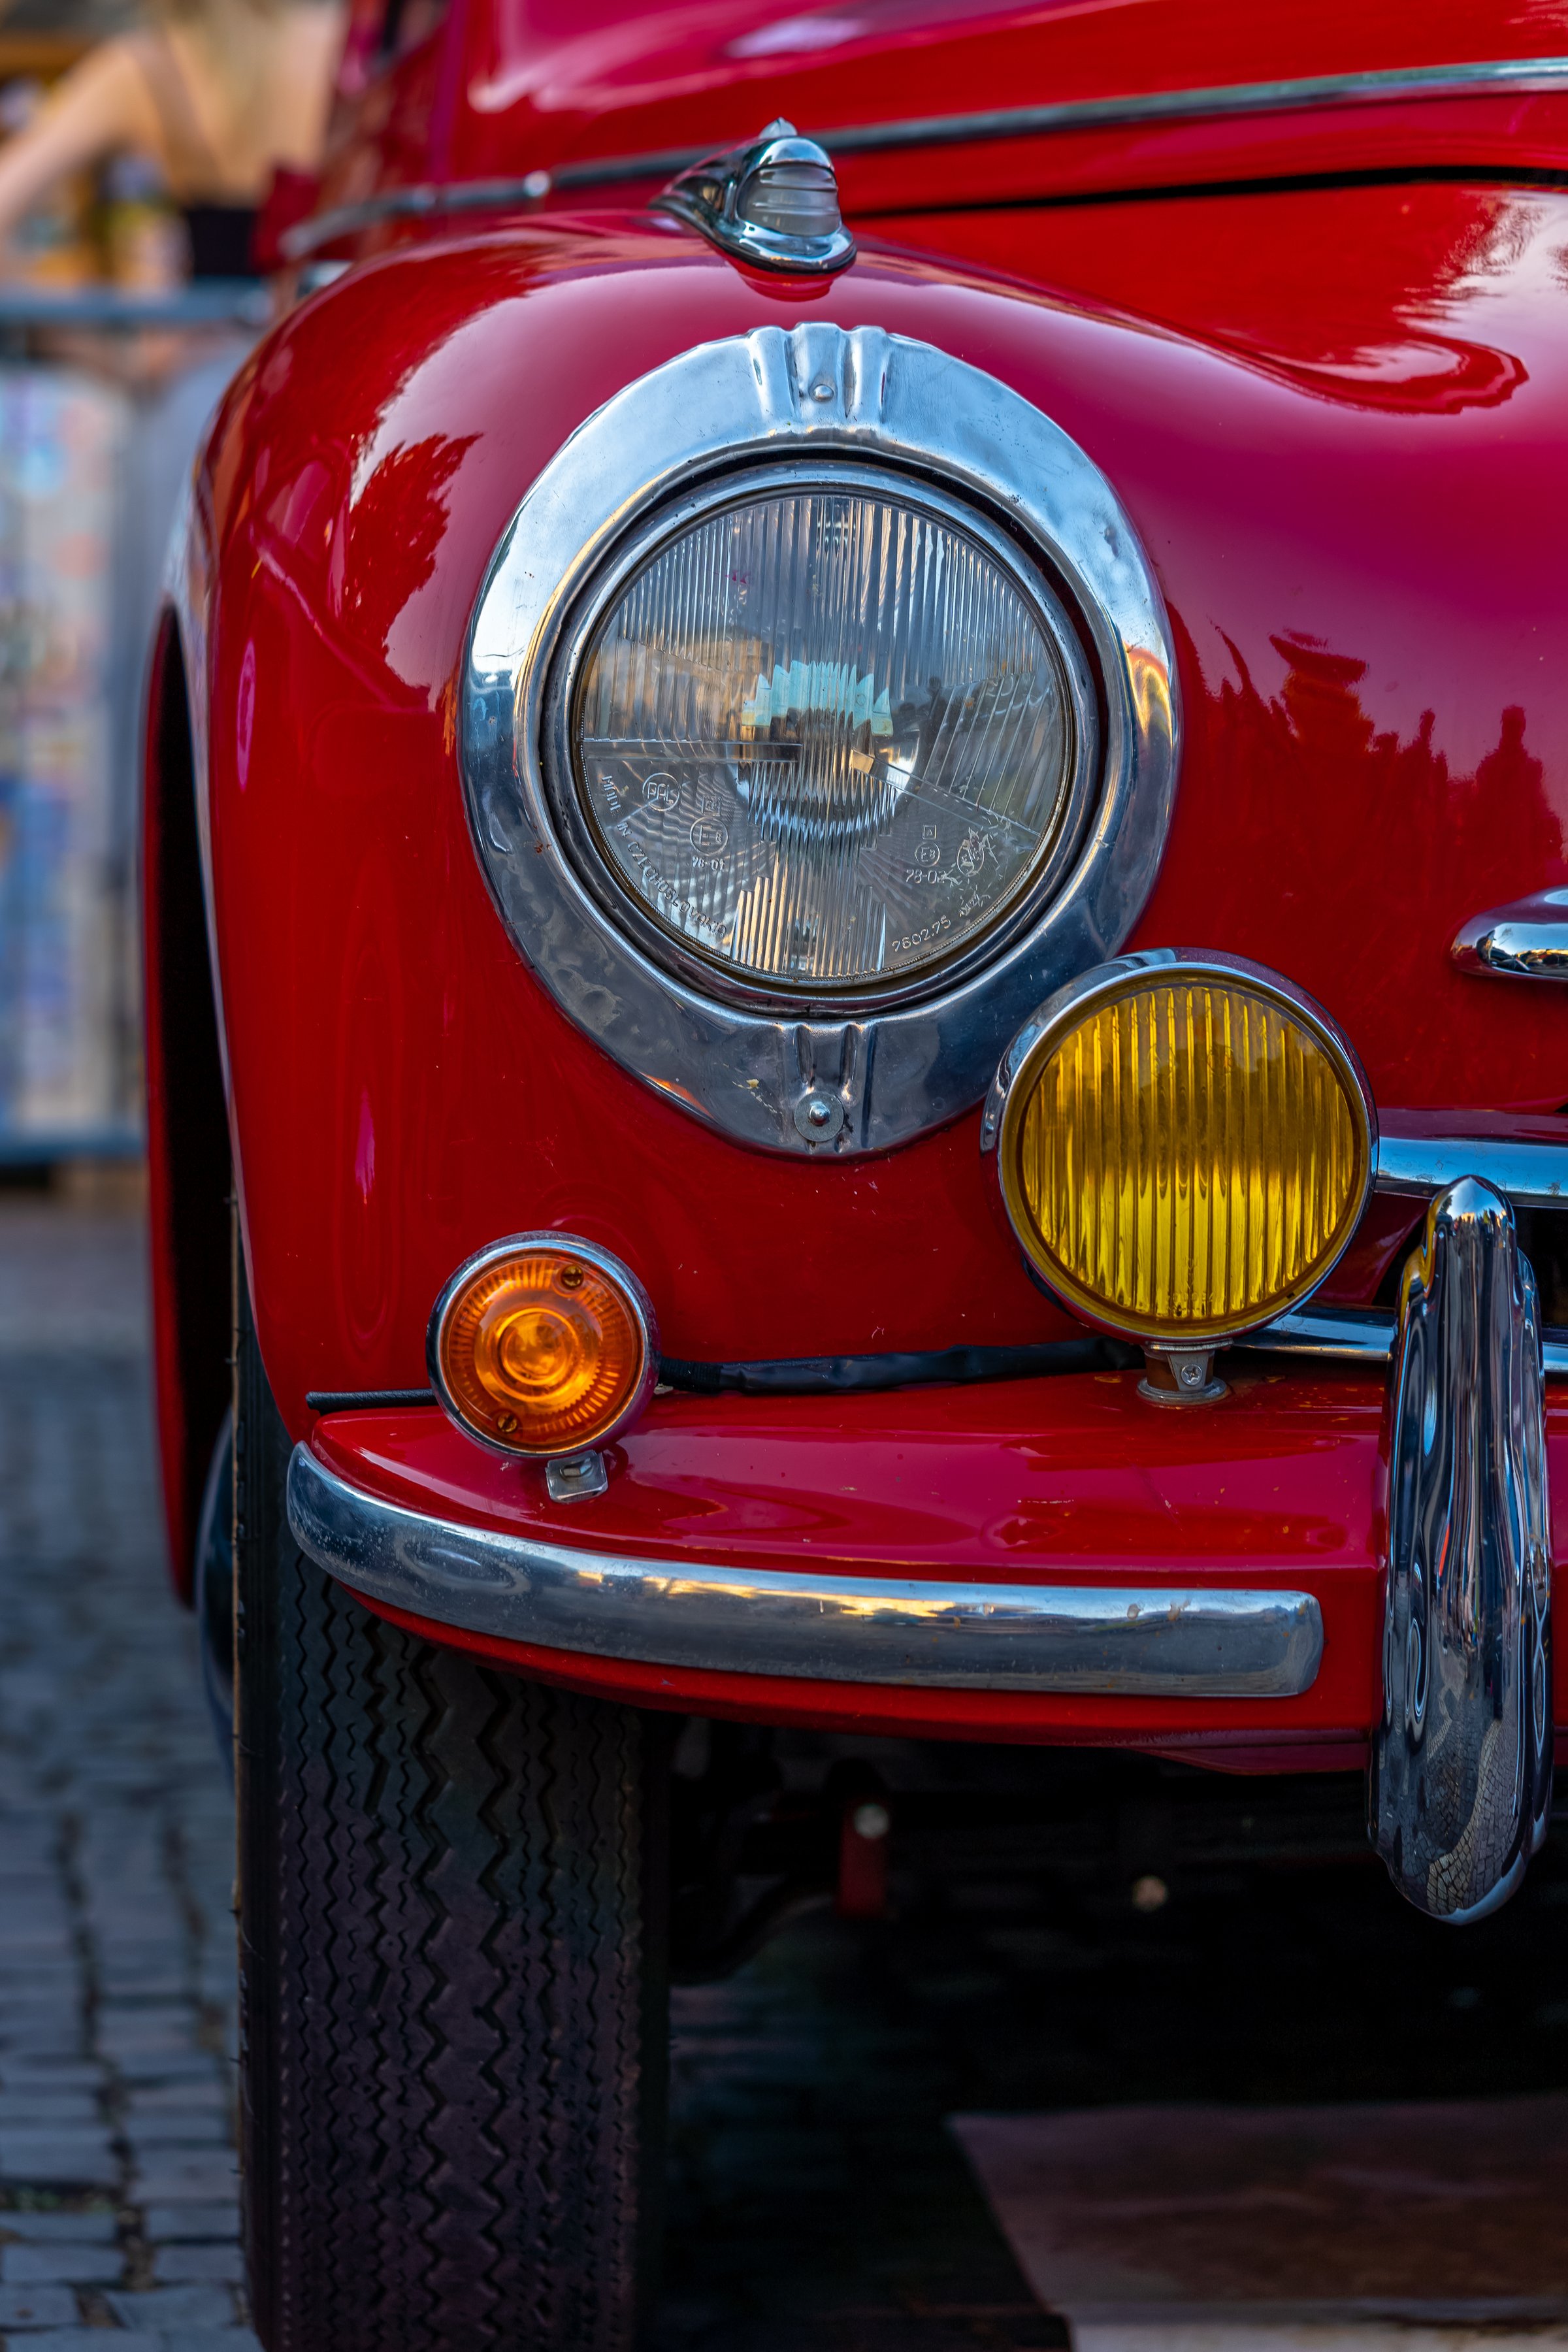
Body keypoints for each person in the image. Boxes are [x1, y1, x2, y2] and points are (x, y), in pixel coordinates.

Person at [0, 0, 346, 279]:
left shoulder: (146, 68)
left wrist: (58, 324)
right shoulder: (348, 47)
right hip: (340, 342)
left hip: (220, 351)